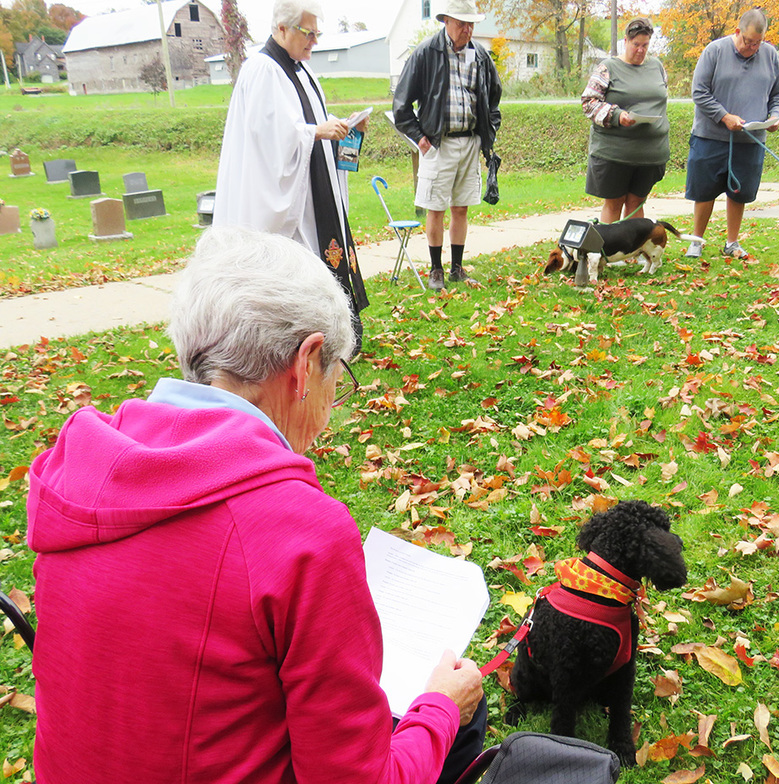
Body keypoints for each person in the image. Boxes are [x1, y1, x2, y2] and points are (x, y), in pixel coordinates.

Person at [27, 226, 486, 784]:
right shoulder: (300, 533)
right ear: (305, 363)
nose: (333, 405)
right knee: (456, 709)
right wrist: (439, 707)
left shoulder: (75, 470)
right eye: (337, 380)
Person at [214, 0, 368, 348]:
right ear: (281, 28)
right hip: (287, 198)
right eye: (308, 32)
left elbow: (310, 126)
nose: (314, 41)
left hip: (315, 190)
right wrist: (314, 132)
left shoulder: (302, 71)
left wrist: (346, 130)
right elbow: (268, 142)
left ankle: (333, 338)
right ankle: (300, 343)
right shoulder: (262, 70)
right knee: (295, 273)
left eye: (317, 33)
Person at [392, 0, 502, 291]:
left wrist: (487, 131)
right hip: (437, 144)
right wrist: (419, 137)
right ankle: (436, 269)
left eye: (471, 24)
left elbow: (494, 95)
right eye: (461, 23)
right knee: (435, 208)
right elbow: (401, 104)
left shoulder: (479, 54)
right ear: (446, 21)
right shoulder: (426, 52)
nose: (467, 30)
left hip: (469, 142)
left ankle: (457, 268)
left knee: (461, 208)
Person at [685, 7, 779, 260]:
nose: (751, 48)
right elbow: (699, 92)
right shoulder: (715, 51)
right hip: (710, 136)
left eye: (757, 43)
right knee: (704, 190)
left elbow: (778, 95)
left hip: (750, 139)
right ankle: (696, 240)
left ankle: (732, 242)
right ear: (737, 31)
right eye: (747, 41)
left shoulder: (771, 55)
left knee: (738, 191)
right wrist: (724, 115)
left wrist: (774, 117)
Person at [581, 17, 670, 224]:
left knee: (637, 202)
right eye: (636, 44)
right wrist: (617, 115)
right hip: (615, 154)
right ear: (626, 41)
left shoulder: (656, 66)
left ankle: (634, 250)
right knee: (614, 202)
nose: (640, 50)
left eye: (645, 45)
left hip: (650, 153)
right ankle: (609, 252)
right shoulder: (607, 68)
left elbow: (660, 97)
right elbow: (588, 103)